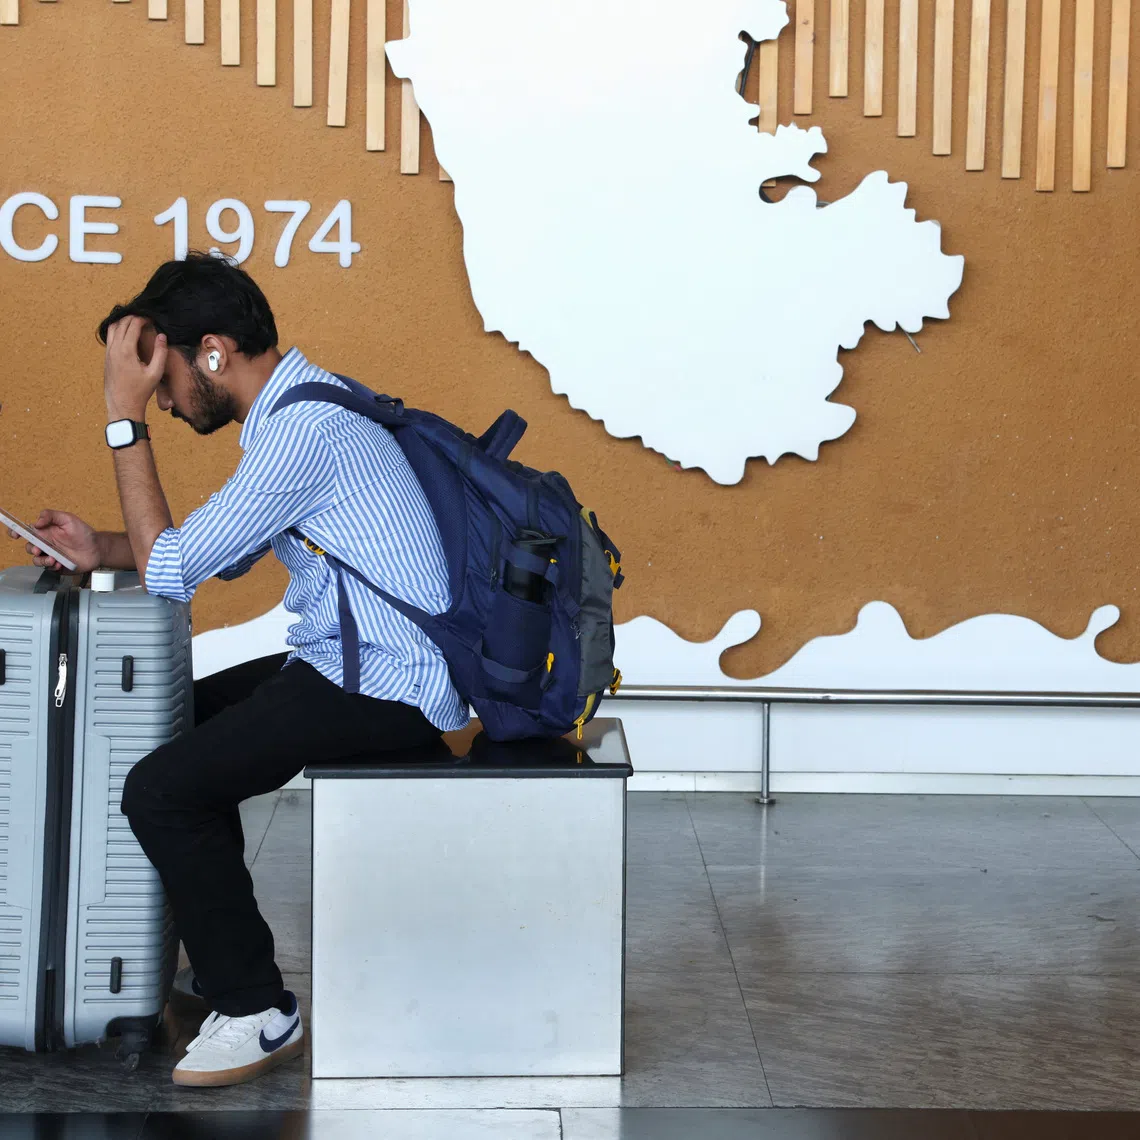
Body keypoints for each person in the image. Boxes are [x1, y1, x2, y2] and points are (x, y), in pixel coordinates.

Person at [8, 253, 469, 1087]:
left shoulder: (303, 431)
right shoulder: (301, 411)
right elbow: (208, 556)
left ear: (213, 352)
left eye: (167, 375)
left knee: (162, 785)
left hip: (389, 683)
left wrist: (123, 418)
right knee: (183, 729)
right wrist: (101, 548)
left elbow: (175, 568)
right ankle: (228, 966)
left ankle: (258, 1008)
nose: (169, 401)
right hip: (353, 660)